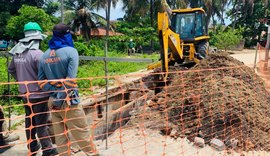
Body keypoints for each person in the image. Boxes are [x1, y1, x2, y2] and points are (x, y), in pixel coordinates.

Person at [38, 23, 97, 156]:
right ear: (67, 35)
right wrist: (61, 90)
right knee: (82, 133)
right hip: (69, 100)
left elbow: (40, 83)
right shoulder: (71, 52)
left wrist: (53, 86)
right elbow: (70, 81)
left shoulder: (44, 55)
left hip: (53, 102)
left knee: (60, 138)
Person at [8, 22, 58, 156]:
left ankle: (32, 147)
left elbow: (11, 69)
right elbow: (47, 74)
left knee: (29, 121)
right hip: (39, 95)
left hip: (25, 94)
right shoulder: (38, 54)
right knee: (41, 123)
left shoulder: (17, 53)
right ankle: (48, 150)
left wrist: (21, 81)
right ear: (37, 38)